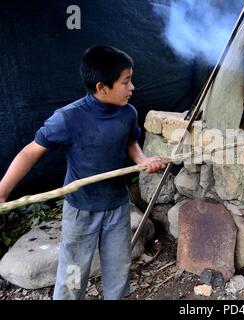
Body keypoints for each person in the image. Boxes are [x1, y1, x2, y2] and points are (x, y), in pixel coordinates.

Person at [0, 45, 166, 299]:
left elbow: (131, 143)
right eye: (126, 82)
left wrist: (143, 161)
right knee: (73, 273)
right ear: (102, 87)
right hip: (81, 211)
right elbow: (30, 152)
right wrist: (2, 192)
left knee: (119, 270)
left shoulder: (127, 113)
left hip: (117, 206)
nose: (132, 88)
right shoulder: (68, 118)